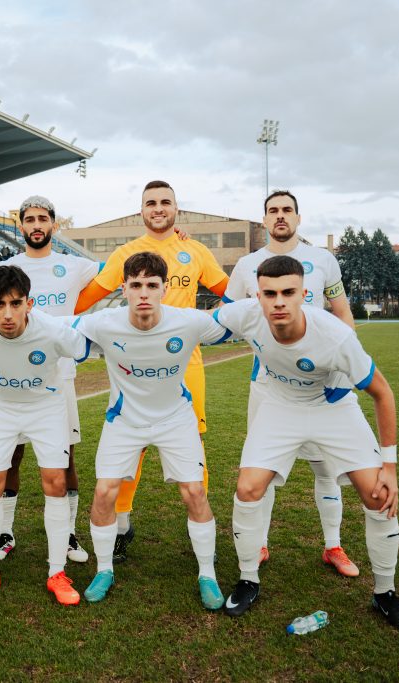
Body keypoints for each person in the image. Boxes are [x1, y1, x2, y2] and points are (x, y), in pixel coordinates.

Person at [214, 255, 399, 631]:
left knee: (378, 495)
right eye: (269, 293)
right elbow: (195, 324)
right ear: (257, 296)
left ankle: (385, 593)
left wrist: (389, 466)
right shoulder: (245, 315)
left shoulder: (335, 336)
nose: (279, 301)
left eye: (288, 292)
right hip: (279, 407)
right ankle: (247, 580)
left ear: (304, 294)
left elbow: (383, 393)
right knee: (248, 488)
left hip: (333, 408)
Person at [74, 180, 228, 563]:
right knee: (134, 447)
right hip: (135, 368)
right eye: (151, 203)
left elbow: (232, 293)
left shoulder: (196, 250)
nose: (158, 208)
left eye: (165, 202)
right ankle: (121, 526)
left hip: (185, 367)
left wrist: (220, 317)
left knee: (194, 448)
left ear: (177, 209)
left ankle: (199, 527)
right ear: (141, 210)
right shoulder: (125, 253)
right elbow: (83, 300)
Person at [223, 190, 360, 575]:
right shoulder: (246, 265)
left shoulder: (323, 260)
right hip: (267, 385)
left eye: (287, 210)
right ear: (264, 220)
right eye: (273, 211)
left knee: (326, 470)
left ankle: (333, 546)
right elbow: (226, 315)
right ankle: (259, 544)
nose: (280, 216)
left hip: (320, 384)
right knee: (261, 470)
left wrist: (345, 366)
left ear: (298, 218)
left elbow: (343, 313)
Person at [0, 265, 89, 606]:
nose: (8, 314)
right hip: (0, 409)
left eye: (16, 304)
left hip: (46, 408)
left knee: (55, 482)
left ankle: (56, 573)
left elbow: (85, 346)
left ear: (30, 303)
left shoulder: (53, 330)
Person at [0, 195, 101, 563]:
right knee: (11, 457)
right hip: (13, 378)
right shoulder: (5, 267)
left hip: (59, 377)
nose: (37, 225)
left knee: (65, 458)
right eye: (30, 219)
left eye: (43, 219)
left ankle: (68, 534)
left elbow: (117, 268)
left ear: (53, 224)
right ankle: (4, 532)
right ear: (21, 225)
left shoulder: (75, 266)